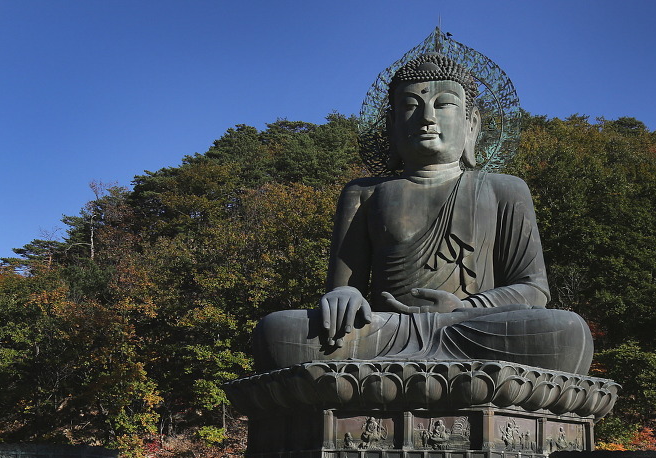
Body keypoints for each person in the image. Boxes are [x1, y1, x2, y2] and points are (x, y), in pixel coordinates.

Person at [252, 53, 593, 374]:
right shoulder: (364, 193)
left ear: (471, 124)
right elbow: (344, 289)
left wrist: (466, 308)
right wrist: (345, 295)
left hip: (470, 326)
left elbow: (533, 289)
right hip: (386, 330)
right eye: (410, 106)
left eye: (444, 104)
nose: (427, 117)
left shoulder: (503, 188)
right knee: (279, 330)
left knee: (564, 330)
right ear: (391, 125)